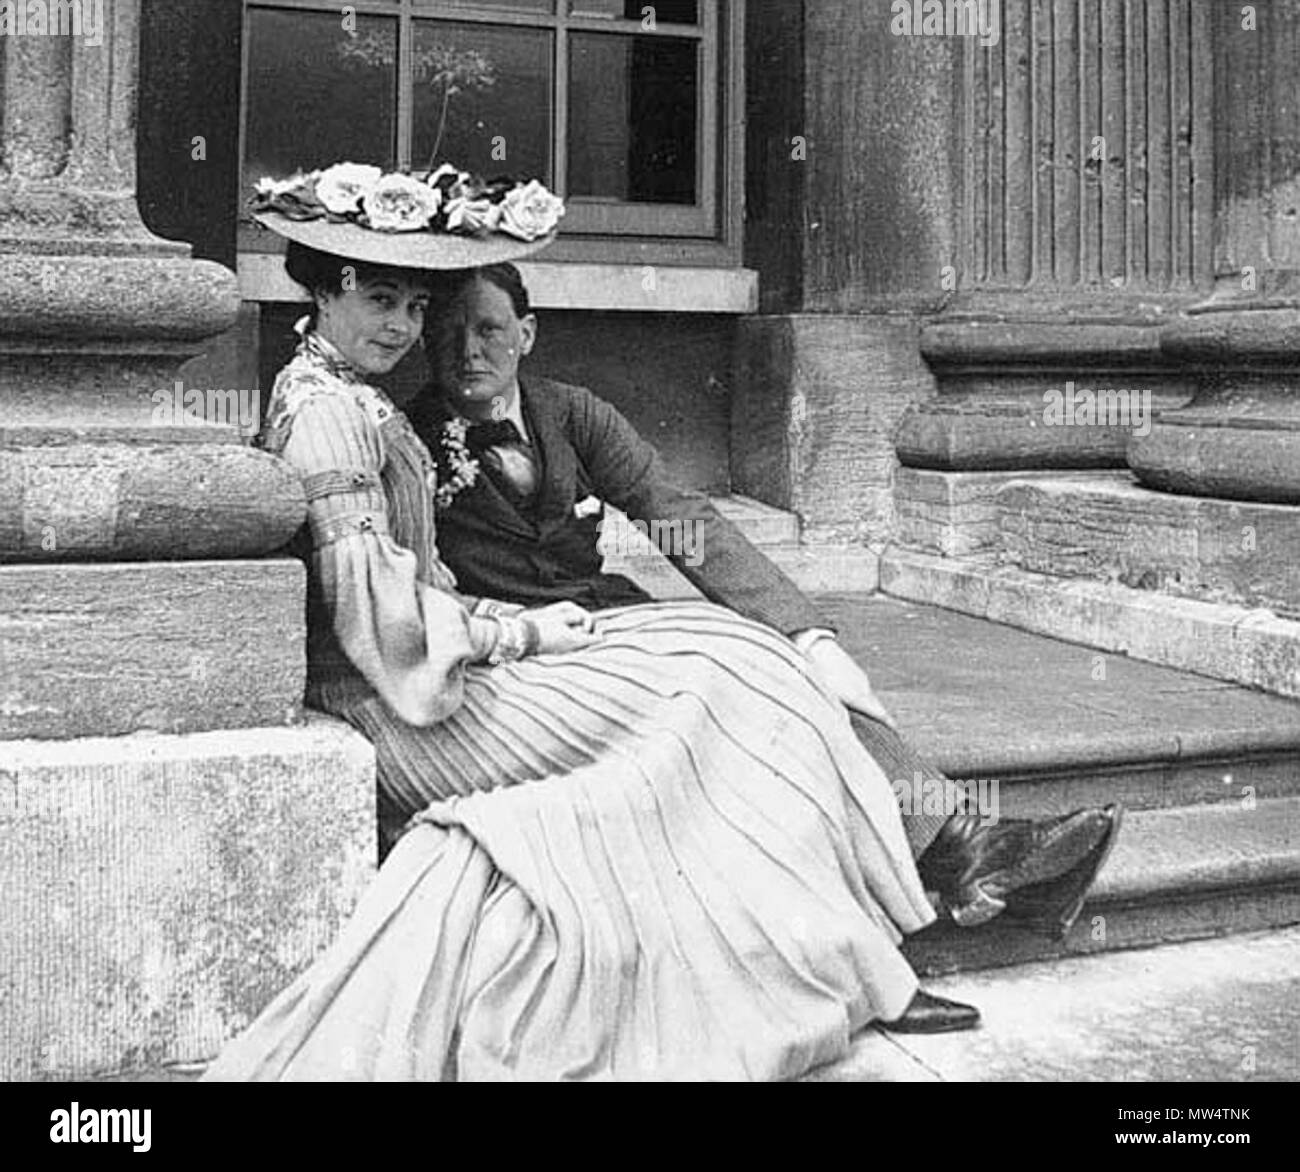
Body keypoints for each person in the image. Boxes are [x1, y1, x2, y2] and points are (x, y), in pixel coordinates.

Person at [409, 262, 1123, 941]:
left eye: (488, 330)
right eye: (447, 332)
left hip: (610, 614)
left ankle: (969, 845)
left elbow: (678, 516)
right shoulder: (408, 439)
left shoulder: (571, 414)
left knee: (787, 665)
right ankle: (952, 864)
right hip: (526, 654)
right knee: (746, 692)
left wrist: (809, 634)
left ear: (526, 335)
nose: (468, 351)